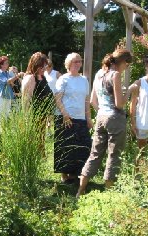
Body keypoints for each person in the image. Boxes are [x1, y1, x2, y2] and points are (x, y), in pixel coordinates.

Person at [76, 48, 137, 197]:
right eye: (127, 65)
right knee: (114, 155)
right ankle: (110, 194)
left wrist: (102, 112)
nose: (126, 68)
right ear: (124, 62)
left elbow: (92, 101)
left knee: (95, 154)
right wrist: (130, 90)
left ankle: (80, 191)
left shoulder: (99, 73)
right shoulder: (115, 75)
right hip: (115, 119)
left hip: (101, 117)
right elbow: (120, 104)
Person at [53, 53, 93, 184]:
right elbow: (57, 99)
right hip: (66, 117)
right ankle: (64, 174)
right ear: (69, 64)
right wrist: (65, 115)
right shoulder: (63, 79)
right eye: (75, 62)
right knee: (66, 146)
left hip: (80, 117)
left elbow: (87, 100)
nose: (78, 64)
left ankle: (75, 174)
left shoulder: (84, 80)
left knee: (81, 146)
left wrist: (88, 118)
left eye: (79, 62)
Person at [22, 52, 54, 154]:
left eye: (45, 65)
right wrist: (27, 120)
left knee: (41, 144)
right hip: (34, 117)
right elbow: (26, 101)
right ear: (36, 65)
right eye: (42, 65)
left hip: (42, 116)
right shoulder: (31, 78)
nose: (45, 68)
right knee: (34, 145)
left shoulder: (42, 77)